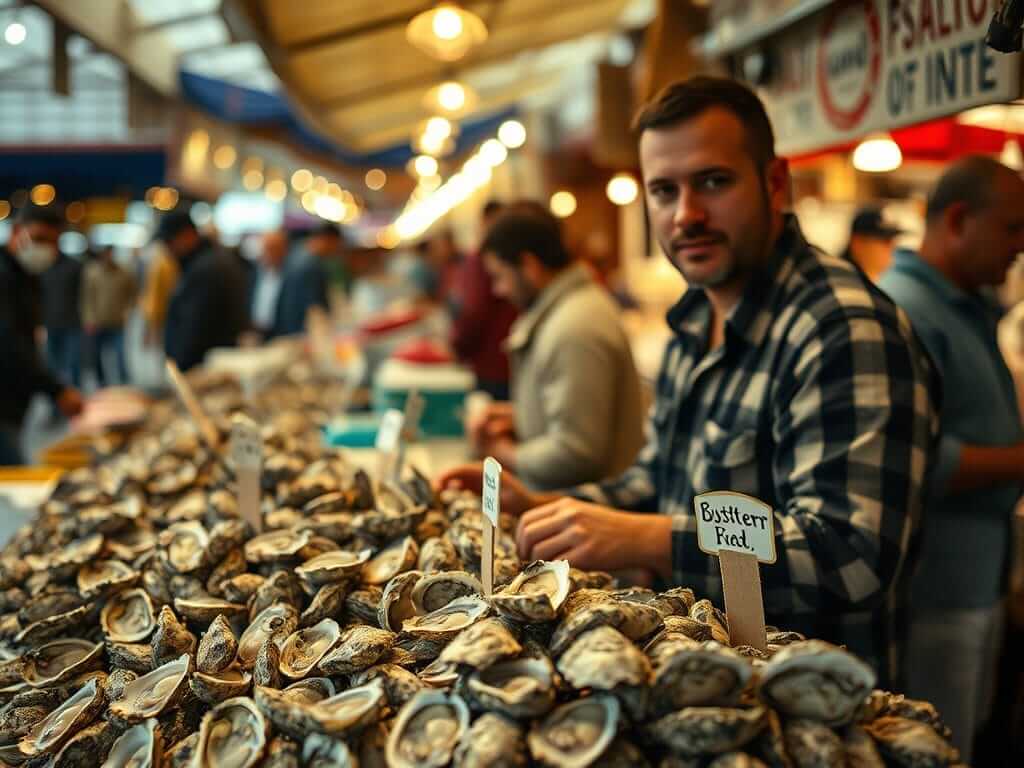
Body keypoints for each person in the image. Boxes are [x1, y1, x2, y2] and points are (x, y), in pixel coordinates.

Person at [440, 76, 939, 682]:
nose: (687, 215)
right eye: (664, 190)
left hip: (810, 708)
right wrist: (547, 506)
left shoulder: (844, 330)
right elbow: (660, 481)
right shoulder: (695, 317)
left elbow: (849, 558)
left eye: (714, 182)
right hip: (697, 678)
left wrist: (648, 539)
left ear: (775, 182)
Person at [877, 156, 1024, 762]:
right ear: (958, 220)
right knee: (933, 749)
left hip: (974, 579)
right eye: (1013, 228)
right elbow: (916, 461)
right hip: (934, 588)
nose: (1021, 246)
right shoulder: (905, 308)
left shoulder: (961, 302)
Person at [468, 201, 645, 491]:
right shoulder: (567, 314)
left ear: (529, 265)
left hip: (588, 519)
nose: (498, 291)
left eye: (500, 276)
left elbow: (576, 453)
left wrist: (499, 451)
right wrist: (516, 415)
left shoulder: (575, 327)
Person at [0, 203, 83, 463]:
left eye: (52, 242)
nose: (45, 248)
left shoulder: (26, 276)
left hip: (13, 400)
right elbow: (7, 343)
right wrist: (55, 390)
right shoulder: (4, 276)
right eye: (38, 238)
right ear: (16, 231)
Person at [159, 211, 249, 372]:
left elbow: (195, 328)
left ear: (187, 235)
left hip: (203, 368)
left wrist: (181, 363)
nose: (168, 249)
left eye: (170, 242)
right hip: (211, 362)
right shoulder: (210, 261)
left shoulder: (205, 268)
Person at [451, 201, 518, 400]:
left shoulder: (479, 259)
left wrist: (456, 349)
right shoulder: (504, 259)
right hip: (507, 362)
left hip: (491, 364)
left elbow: (473, 310)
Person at [81, 246, 137, 386]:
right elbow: (87, 297)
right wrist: (89, 319)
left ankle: (123, 381)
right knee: (97, 355)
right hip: (98, 321)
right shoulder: (92, 272)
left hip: (117, 321)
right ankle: (101, 382)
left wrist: (128, 310)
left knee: (119, 354)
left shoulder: (124, 272)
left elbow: (132, 293)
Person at [275, 224, 333, 336]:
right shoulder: (310, 264)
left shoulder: (296, 252)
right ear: (328, 240)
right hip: (299, 328)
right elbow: (313, 305)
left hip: (285, 323)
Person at [40, 249, 83, 389]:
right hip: (49, 323)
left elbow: (84, 294)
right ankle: (56, 401)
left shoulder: (75, 266)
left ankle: (75, 394)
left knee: (73, 363)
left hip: (72, 323)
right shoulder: (41, 267)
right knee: (53, 365)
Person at [841, 207, 903, 282]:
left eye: (893, 240)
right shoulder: (839, 280)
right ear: (858, 242)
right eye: (885, 240)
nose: (892, 246)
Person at [140, 238, 180, 348]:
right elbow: (154, 296)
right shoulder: (163, 264)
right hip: (165, 317)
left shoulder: (163, 263)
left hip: (166, 316)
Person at [249, 230, 288, 340]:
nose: (269, 253)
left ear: (284, 249)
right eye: (266, 249)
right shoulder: (256, 273)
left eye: (274, 248)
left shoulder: (291, 275)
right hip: (257, 330)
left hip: (280, 333)